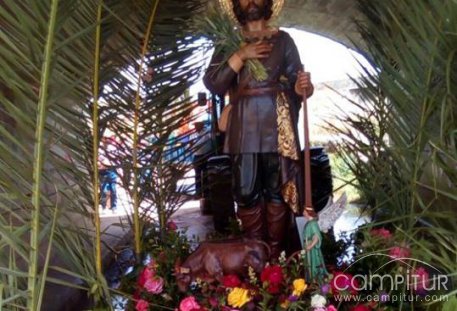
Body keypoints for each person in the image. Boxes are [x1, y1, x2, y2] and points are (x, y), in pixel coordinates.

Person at [203, 0, 314, 258]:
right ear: (235, 5)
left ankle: (276, 255)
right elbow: (215, 83)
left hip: (277, 126)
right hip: (244, 127)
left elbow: (299, 83)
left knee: (277, 188)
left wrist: (302, 87)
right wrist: (242, 55)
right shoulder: (228, 42)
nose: (251, 1)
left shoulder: (283, 40)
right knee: (245, 189)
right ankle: (255, 252)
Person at [302, 207, 328, 284]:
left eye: (304, 212)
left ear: (308, 213)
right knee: (308, 264)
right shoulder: (310, 222)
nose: (303, 214)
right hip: (308, 246)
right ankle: (311, 281)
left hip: (312, 249)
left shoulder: (313, 223)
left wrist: (310, 246)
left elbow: (316, 237)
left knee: (313, 263)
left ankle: (316, 281)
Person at [192, 121, 213, 198]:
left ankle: (206, 193)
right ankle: (198, 193)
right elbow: (192, 145)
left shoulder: (207, 131)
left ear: (201, 125)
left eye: (196, 125)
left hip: (206, 155)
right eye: (195, 125)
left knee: (205, 174)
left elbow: (208, 139)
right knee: (197, 175)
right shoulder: (193, 134)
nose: (195, 127)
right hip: (197, 156)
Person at [98, 135, 118, 213]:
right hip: (102, 172)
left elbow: (116, 160)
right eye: (105, 138)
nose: (106, 140)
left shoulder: (113, 148)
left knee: (113, 189)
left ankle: (114, 207)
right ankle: (104, 207)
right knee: (104, 190)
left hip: (112, 171)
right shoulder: (99, 149)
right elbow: (98, 160)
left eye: (108, 138)